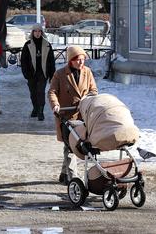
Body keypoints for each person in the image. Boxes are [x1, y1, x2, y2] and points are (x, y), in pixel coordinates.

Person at [48, 45, 98, 185]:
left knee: (78, 144)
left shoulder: (87, 72)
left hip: (82, 115)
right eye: (77, 60)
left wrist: (87, 99)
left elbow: (94, 90)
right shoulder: (60, 74)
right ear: (70, 60)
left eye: (82, 59)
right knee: (71, 147)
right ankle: (73, 177)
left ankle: (64, 174)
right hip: (65, 115)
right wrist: (55, 105)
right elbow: (52, 91)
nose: (81, 62)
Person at [21, 24, 56, 121]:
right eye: (35, 31)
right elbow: (23, 60)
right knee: (33, 93)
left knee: (40, 92)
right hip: (31, 73)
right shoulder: (28, 45)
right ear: (32, 32)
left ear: (42, 32)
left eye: (39, 31)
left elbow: (51, 61)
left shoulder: (47, 45)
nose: (37, 33)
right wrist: (25, 73)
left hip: (43, 73)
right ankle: (35, 108)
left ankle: (41, 111)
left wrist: (52, 75)